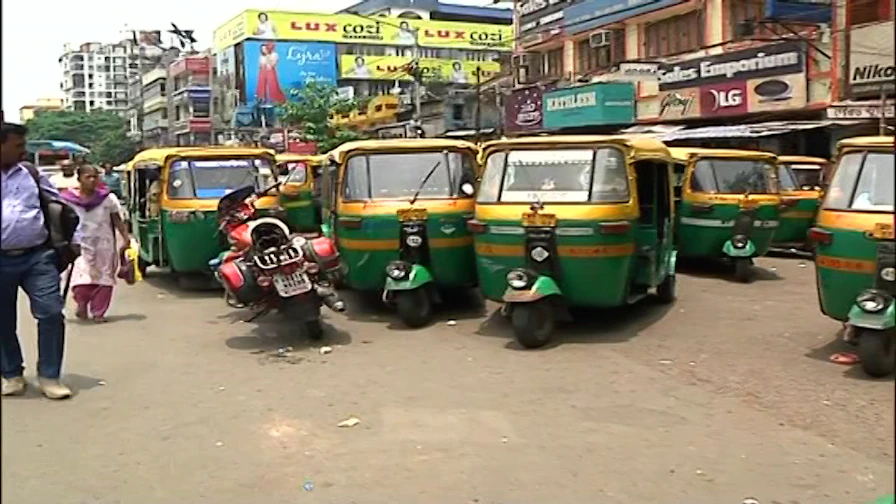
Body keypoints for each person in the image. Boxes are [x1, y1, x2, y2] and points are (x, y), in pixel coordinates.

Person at [0, 123, 72, 399]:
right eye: (18, 145)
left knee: (51, 312)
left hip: (37, 256)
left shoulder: (32, 174)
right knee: (2, 320)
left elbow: (60, 207)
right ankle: (11, 374)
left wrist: (66, 242)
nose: (24, 151)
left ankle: (50, 376)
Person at [60, 165, 131, 323]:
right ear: (79, 179)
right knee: (81, 278)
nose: (92, 180)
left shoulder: (108, 198)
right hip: (79, 244)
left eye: (95, 177)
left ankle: (99, 311)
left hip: (104, 244)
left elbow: (116, 219)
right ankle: (82, 303)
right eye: (88, 177)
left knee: (105, 277)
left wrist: (126, 238)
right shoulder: (67, 199)